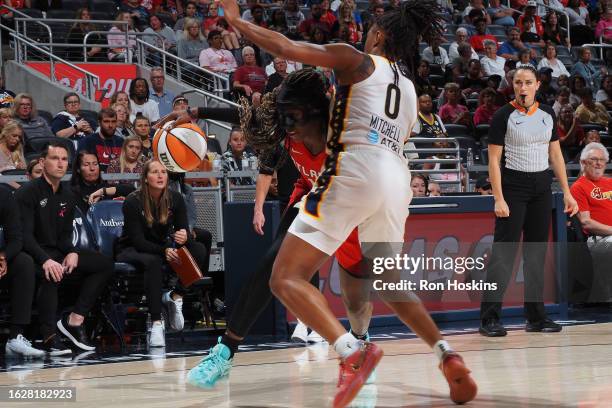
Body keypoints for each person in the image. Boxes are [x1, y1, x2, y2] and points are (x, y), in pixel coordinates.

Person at [216, 0, 478, 406]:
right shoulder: (409, 89)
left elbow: (285, 48)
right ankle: (446, 353)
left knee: (284, 278)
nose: (366, 33)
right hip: (398, 177)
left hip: (358, 167)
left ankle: (352, 353)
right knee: (389, 282)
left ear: (381, 36)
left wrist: (235, 21)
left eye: (372, 28)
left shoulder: (354, 59)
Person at [479, 66, 579, 338]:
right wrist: (498, 197)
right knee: (504, 254)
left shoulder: (547, 113)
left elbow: (556, 156)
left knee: (535, 254)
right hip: (513, 187)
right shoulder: (503, 116)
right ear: (513, 85)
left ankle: (536, 317)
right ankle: (489, 319)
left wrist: (567, 192)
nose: (522, 87)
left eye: (528, 83)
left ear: (537, 85)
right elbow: (493, 161)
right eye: (518, 82)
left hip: (541, 187)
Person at [16, 141, 114, 354]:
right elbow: (24, 236)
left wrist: (71, 251)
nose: (60, 163)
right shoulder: (27, 192)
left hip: (57, 251)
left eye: (63, 159)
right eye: (54, 158)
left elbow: (66, 235)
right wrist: (46, 260)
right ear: (42, 162)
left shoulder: (68, 195)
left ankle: (75, 319)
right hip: (31, 254)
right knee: (53, 272)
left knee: (104, 263)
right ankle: (49, 336)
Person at [115, 160, 211, 347]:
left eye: (163, 172)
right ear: (145, 178)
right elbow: (138, 241)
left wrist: (183, 236)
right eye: (155, 172)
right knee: (153, 262)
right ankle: (157, 322)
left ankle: (176, 295)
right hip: (132, 249)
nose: (160, 176)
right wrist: (164, 250)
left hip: (162, 246)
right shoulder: (132, 201)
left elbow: (183, 231)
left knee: (198, 249)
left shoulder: (175, 198)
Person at [0, 188, 44, 358]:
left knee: (24, 262)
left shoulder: (3, 195)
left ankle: (15, 338)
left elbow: (16, 238)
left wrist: (3, 257)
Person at [570, 143, 612, 299]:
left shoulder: (610, 183)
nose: (599, 163)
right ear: (583, 163)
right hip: (597, 239)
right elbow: (586, 222)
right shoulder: (578, 187)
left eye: (602, 160)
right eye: (594, 159)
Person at [70, 151, 135, 213]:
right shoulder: (72, 191)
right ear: (78, 169)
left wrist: (103, 191)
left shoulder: (105, 187)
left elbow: (132, 189)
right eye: (86, 165)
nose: (92, 168)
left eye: (95, 164)